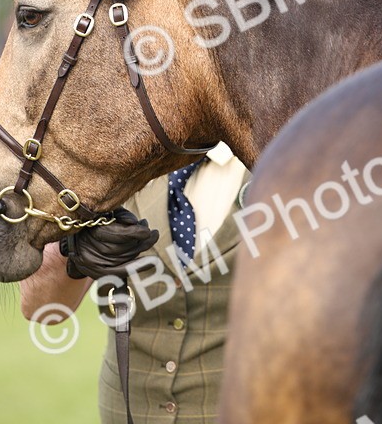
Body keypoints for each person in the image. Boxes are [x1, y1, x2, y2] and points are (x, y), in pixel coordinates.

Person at [20, 143, 248, 424]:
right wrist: (69, 240)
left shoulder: (285, 156)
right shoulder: (121, 158)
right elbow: (40, 307)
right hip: (127, 411)